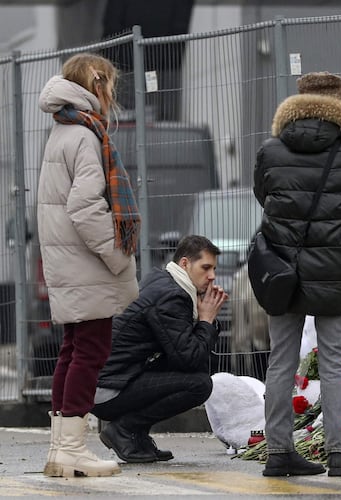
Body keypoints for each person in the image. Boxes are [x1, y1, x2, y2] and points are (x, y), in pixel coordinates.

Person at [253, 71, 341, 477]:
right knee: (334, 363)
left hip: (283, 271)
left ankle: (278, 453)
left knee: (281, 362)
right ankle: (339, 456)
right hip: (337, 270)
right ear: (340, 104)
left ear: (298, 100)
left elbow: (263, 195)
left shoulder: (271, 150)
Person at [38, 53, 141, 478]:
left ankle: (62, 448)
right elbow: (85, 208)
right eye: (111, 85)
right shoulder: (84, 135)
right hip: (87, 262)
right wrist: (118, 257)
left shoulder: (64, 129)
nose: (112, 95)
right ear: (98, 85)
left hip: (69, 260)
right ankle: (72, 450)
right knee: (91, 351)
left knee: (73, 350)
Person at [91, 235, 228, 463]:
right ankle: (124, 430)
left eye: (214, 268)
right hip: (108, 390)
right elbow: (189, 358)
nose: (212, 276)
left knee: (193, 373)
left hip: (115, 379)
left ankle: (136, 436)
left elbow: (184, 352)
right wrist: (205, 321)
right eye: (205, 268)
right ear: (185, 263)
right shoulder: (172, 296)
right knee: (200, 385)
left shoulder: (165, 280)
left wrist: (205, 321)